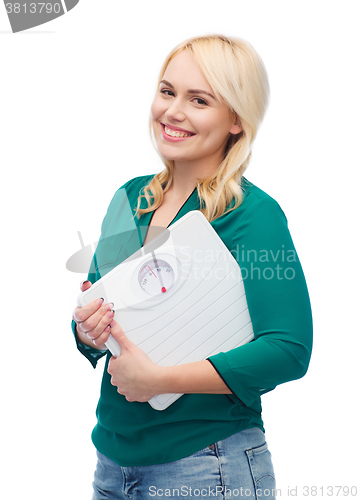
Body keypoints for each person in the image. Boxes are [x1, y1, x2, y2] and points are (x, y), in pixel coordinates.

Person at [71, 34, 313, 499]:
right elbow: (98, 322)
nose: (173, 111)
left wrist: (161, 381)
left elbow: (288, 349)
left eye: (198, 100)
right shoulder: (129, 199)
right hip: (112, 462)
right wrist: (88, 328)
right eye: (167, 91)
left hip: (207, 464)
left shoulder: (252, 214)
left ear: (237, 121)